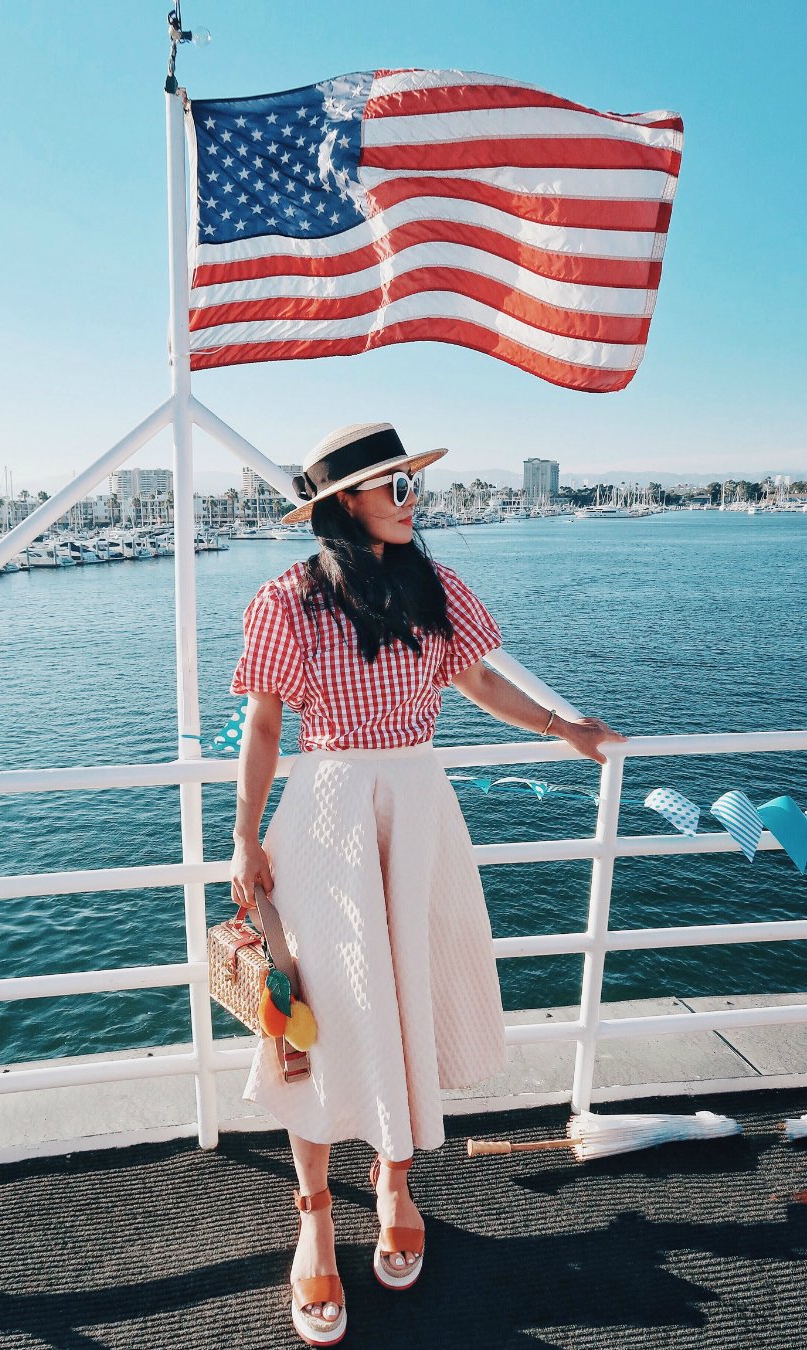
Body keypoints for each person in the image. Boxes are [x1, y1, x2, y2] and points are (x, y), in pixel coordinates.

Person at [228, 423, 625, 1346]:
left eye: (411, 484)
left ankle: (396, 1178)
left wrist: (562, 726)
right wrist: (244, 839)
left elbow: (478, 678)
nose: (414, 499)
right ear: (343, 505)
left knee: (406, 998)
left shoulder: (432, 585)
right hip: (327, 812)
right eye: (396, 487)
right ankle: (315, 1211)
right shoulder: (287, 597)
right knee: (319, 1014)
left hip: (418, 804)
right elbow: (261, 727)